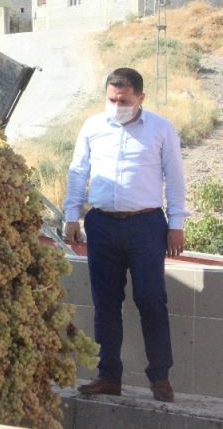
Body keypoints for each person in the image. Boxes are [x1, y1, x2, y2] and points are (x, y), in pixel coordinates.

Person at [63, 67, 188, 403]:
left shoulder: (161, 129)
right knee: (105, 304)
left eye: (123, 100)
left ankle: (160, 377)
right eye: (111, 99)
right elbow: (78, 172)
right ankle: (108, 376)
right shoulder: (92, 126)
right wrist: (71, 215)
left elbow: (175, 179)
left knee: (151, 300)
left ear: (140, 99)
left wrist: (176, 224)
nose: (116, 105)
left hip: (146, 226)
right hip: (101, 225)